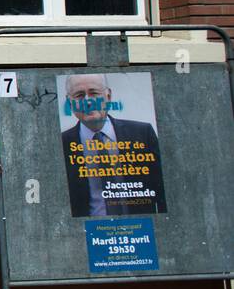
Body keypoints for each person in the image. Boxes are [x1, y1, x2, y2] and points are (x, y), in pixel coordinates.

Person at [60, 73, 166, 217]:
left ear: (108, 96)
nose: (88, 101)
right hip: (91, 233)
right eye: (79, 95)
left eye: (94, 93)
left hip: (140, 230)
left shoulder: (142, 134)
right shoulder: (62, 144)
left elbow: (163, 191)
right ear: (69, 101)